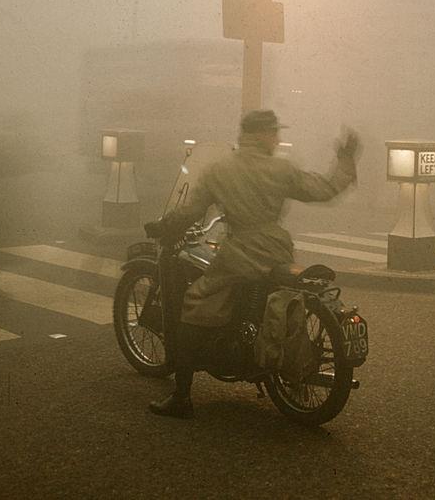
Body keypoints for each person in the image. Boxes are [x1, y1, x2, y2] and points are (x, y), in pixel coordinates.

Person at [144, 109, 360, 418]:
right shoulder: (281, 169)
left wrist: (164, 226)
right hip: (278, 249)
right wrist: (345, 160)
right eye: (274, 133)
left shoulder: (221, 170)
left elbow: (190, 212)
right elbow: (324, 189)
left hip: (241, 250)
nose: (277, 139)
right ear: (261, 135)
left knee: (195, 301)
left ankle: (181, 397)